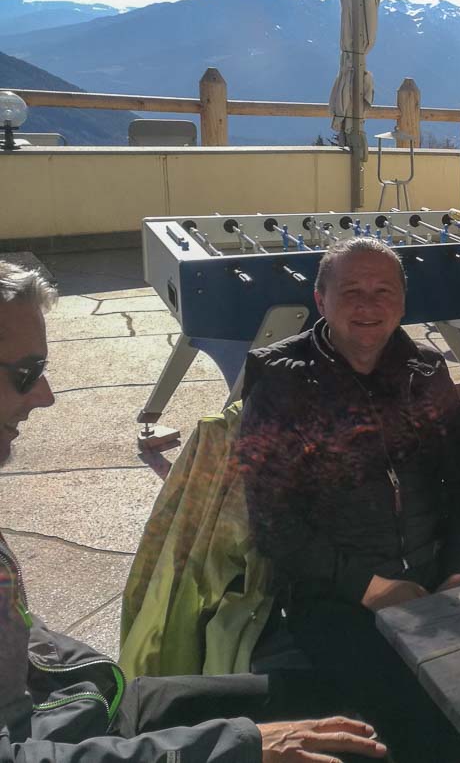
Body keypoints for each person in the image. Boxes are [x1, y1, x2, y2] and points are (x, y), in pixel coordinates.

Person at [0, 260, 387, 763]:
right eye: (26, 373)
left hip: (84, 707)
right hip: (59, 737)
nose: (46, 395)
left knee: (344, 702)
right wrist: (241, 746)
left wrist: (93, 674)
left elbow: (23, 636)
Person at [236, 237, 460, 761]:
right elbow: (274, 524)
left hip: (439, 577)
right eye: (351, 291)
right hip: (337, 598)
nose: (368, 305)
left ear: (403, 301)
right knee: (417, 727)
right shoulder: (282, 383)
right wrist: (372, 588)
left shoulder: (425, 370)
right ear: (321, 300)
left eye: (383, 291)